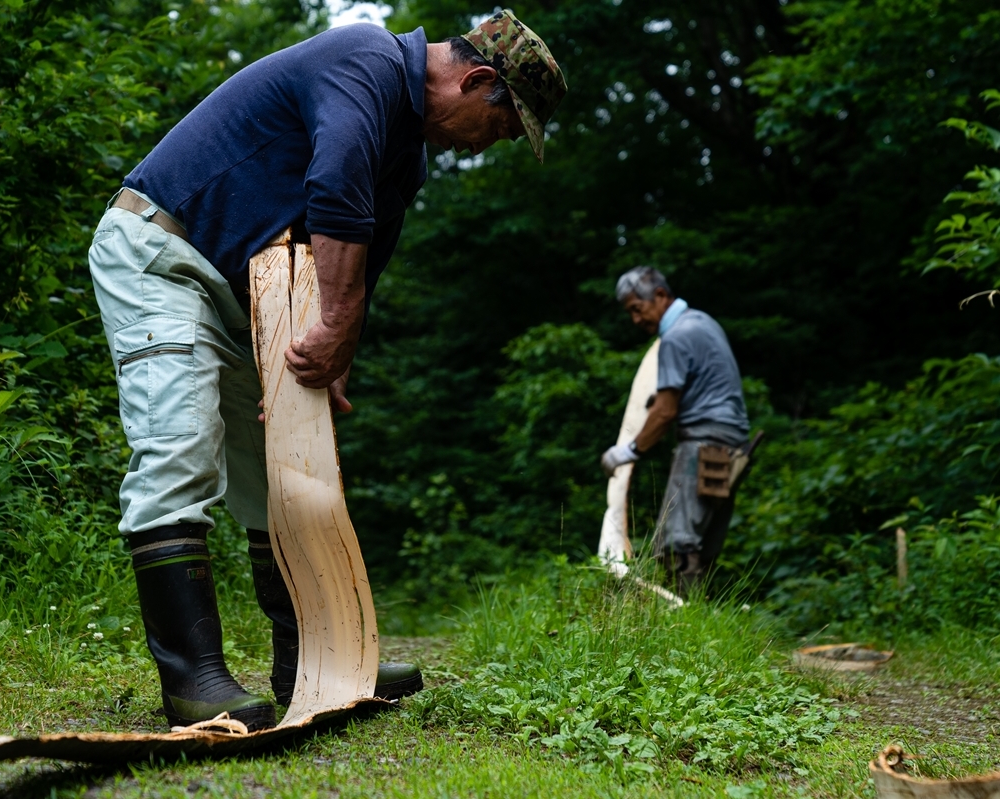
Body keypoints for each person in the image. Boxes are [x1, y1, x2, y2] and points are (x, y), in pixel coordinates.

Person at [88, 11, 567, 730]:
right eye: (497, 127)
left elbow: (362, 262)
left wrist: (336, 346)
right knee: (180, 443)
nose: (482, 146)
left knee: (281, 468)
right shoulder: (365, 59)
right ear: (475, 80)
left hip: (249, 295)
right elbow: (335, 188)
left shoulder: (407, 155)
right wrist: (336, 323)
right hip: (163, 255)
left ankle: (314, 660)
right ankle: (193, 680)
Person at [601, 267, 750, 595]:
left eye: (637, 309)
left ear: (660, 296)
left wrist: (627, 452)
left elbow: (665, 411)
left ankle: (682, 618)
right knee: (703, 544)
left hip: (704, 443)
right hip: (735, 444)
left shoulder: (675, 337)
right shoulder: (704, 323)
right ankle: (700, 614)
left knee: (675, 544)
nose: (636, 320)